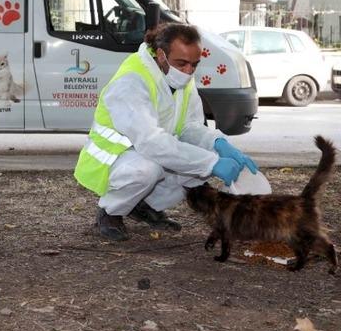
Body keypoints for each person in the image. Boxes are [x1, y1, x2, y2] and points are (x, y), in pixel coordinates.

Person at [74, 23, 258, 241]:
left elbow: (191, 126)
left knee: (196, 167)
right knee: (148, 170)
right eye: (182, 63)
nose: (189, 71)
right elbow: (152, 143)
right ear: (161, 54)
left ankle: (140, 205)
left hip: (149, 150)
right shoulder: (132, 81)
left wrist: (219, 145)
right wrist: (211, 162)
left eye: (194, 64)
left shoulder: (180, 78)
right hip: (115, 159)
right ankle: (110, 212)